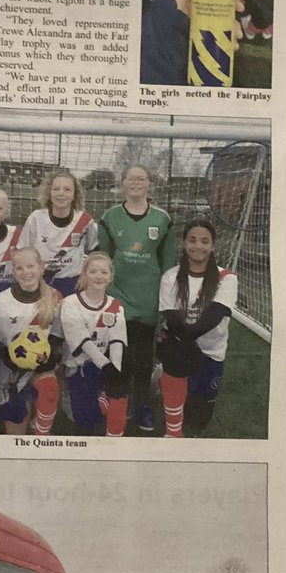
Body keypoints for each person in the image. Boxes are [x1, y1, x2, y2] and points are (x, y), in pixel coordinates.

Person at [98, 165, 177, 433]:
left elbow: (169, 262)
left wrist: (166, 300)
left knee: (143, 357)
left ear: (149, 185)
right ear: (122, 184)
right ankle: (118, 398)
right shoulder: (109, 217)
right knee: (117, 352)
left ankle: (142, 404)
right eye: (131, 178)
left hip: (148, 298)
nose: (136, 183)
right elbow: (102, 258)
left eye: (142, 178)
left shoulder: (162, 219)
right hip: (117, 296)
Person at [158, 217, 238, 438]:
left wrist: (186, 340)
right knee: (177, 410)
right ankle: (165, 377)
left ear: (212, 246)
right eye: (192, 240)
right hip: (180, 353)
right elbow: (172, 317)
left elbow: (216, 314)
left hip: (210, 352)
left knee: (198, 420)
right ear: (184, 243)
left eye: (204, 241)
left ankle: (162, 376)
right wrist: (183, 349)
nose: (198, 246)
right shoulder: (171, 276)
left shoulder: (226, 278)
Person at [0, 247, 62, 436]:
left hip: (40, 367)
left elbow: (58, 336)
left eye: (31, 266)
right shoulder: (0, 301)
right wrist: (10, 358)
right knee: (16, 434)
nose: (26, 272)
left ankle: (42, 436)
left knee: (50, 387)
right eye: (20, 268)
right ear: (13, 271)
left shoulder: (55, 297)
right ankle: (19, 402)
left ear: (41, 268)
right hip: (10, 372)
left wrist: (49, 357)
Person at [57, 252, 128, 437]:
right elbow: (82, 341)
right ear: (84, 274)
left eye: (104, 272)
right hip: (78, 365)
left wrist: (116, 371)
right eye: (93, 271)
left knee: (118, 399)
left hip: (103, 365)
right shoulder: (70, 303)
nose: (99, 276)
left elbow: (117, 341)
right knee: (84, 419)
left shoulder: (115, 306)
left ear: (111, 277)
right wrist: (107, 368)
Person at [19, 170, 98, 297]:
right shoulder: (36, 218)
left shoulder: (84, 219)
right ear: (49, 193)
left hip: (73, 282)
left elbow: (95, 251)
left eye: (67, 189)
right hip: (40, 281)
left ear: (74, 195)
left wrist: (86, 274)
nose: (61, 193)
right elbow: (22, 251)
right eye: (56, 189)